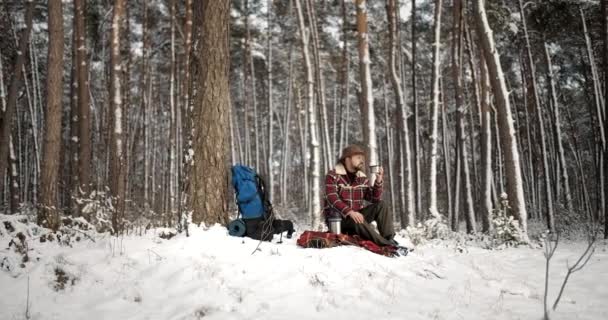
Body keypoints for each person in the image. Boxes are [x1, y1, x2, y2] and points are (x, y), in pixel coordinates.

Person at [323, 144, 398, 247]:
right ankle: (386, 245)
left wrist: (378, 181)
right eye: (358, 157)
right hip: (339, 221)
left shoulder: (361, 177)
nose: (361, 161)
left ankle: (389, 239)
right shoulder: (333, 175)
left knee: (381, 205)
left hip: (357, 218)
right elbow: (332, 198)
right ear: (347, 159)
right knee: (356, 219)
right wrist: (350, 212)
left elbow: (374, 199)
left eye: (362, 158)